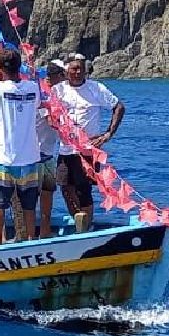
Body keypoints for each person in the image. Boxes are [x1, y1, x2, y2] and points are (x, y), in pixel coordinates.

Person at [53, 53, 125, 233]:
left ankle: (84, 230)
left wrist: (109, 133)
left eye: (80, 68)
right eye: (74, 69)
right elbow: (49, 113)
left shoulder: (96, 89)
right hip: (65, 149)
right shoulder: (58, 90)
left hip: (87, 151)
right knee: (64, 187)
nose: (77, 72)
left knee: (83, 191)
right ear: (66, 70)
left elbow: (118, 107)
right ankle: (79, 222)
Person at [0, 48, 41, 245]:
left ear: (0, 68)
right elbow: (37, 104)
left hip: (4, 158)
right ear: (19, 66)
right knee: (29, 205)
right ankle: (31, 241)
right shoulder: (32, 87)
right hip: (29, 157)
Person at [35, 60, 66, 238]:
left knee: (45, 196)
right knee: (40, 198)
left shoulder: (48, 93)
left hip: (45, 154)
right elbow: (51, 121)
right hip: (37, 155)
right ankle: (38, 235)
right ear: (58, 76)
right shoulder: (45, 95)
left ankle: (44, 233)